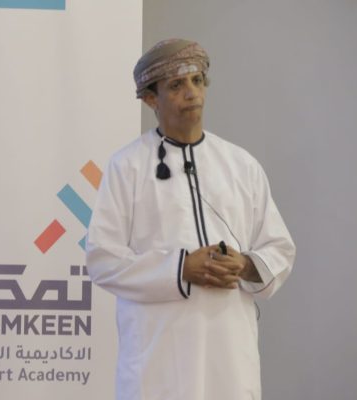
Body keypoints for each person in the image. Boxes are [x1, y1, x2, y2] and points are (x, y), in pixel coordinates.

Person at [86, 39, 295, 400]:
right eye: (176, 85)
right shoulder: (127, 166)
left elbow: (279, 248)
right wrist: (181, 268)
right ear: (150, 99)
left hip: (229, 355)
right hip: (158, 357)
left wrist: (245, 265)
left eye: (197, 80)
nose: (192, 93)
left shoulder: (241, 164)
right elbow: (103, 260)